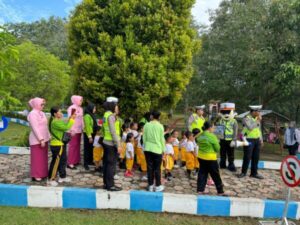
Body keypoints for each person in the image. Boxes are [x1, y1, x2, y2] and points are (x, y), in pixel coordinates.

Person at [48, 107, 75, 186]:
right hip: (57, 145)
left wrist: (69, 119)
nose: (61, 113)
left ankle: (62, 176)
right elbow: (66, 127)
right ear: (55, 114)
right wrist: (72, 119)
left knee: (63, 161)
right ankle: (51, 178)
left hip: (61, 144)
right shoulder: (55, 122)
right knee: (56, 162)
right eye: (59, 112)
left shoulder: (58, 120)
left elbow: (64, 125)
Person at [196, 122, 226, 195]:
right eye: (213, 127)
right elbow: (217, 148)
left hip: (201, 157)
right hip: (210, 158)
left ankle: (200, 190)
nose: (214, 128)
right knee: (215, 175)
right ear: (209, 128)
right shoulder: (212, 136)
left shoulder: (200, 135)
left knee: (202, 173)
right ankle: (220, 191)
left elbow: (197, 141)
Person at [27, 97, 50, 182]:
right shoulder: (32, 114)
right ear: (36, 104)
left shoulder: (42, 113)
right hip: (37, 140)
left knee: (43, 158)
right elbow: (35, 128)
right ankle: (36, 175)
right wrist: (41, 139)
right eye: (41, 104)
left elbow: (45, 126)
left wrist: (48, 135)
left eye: (43, 104)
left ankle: (43, 173)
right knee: (37, 158)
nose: (43, 105)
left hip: (45, 139)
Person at [102, 97, 122, 191]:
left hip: (106, 141)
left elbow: (103, 128)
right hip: (111, 143)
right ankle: (110, 185)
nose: (117, 107)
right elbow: (113, 132)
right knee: (111, 165)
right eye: (116, 105)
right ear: (113, 105)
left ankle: (106, 183)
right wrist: (118, 145)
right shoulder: (111, 116)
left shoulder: (105, 114)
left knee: (106, 163)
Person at [238, 105, 264, 179]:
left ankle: (254, 173)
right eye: (258, 111)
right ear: (253, 111)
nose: (259, 113)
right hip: (248, 139)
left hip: (257, 140)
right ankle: (243, 172)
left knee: (256, 157)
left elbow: (259, 130)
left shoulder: (257, 118)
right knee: (247, 156)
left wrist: (261, 139)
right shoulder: (246, 118)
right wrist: (258, 120)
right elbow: (250, 127)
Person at [143, 110, 165, 192]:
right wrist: (163, 150)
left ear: (151, 116)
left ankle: (150, 185)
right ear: (159, 117)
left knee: (149, 168)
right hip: (157, 149)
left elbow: (144, 138)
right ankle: (158, 185)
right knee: (157, 168)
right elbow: (162, 139)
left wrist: (146, 146)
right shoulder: (160, 126)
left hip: (148, 149)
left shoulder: (146, 125)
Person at [217, 103, 238, 172]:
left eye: (228, 112)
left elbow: (235, 131)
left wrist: (234, 140)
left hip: (230, 140)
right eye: (224, 112)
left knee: (231, 153)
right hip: (222, 140)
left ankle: (231, 165)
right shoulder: (220, 121)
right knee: (222, 153)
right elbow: (218, 130)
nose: (226, 114)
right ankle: (222, 164)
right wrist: (218, 138)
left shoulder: (234, 121)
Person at [67, 95, 84, 169]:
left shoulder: (80, 108)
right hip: (73, 130)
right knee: (73, 146)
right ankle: (70, 162)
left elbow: (81, 119)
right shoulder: (72, 108)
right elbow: (71, 119)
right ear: (76, 100)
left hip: (79, 130)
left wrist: (83, 127)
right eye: (80, 100)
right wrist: (71, 129)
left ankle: (76, 160)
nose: (81, 102)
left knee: (77, 146)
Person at [83, 102, 98, 170]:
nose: (95, 109)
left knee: (91, 148)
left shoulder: (93, 115)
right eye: (94, 108)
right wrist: (89, 136)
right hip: (88, 134)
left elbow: (94, 124)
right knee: (87, 149)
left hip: (93, 133)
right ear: (90, 108)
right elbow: (87, 126)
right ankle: (86, 163)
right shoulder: (86, 116)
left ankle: (90, 161)